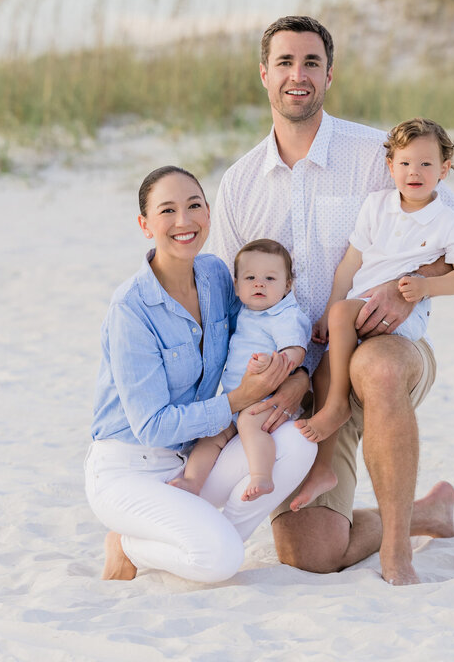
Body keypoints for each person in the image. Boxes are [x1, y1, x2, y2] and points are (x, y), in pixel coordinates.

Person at [207, 16, 454, 585]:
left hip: (380, 350)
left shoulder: (380, 154)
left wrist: (406, 288)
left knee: (377, 364)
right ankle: (422, 514)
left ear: (329, 74)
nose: (298, 74)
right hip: (294, 381)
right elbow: (223, 307)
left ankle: (396, 553)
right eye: (284, 62)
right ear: (264, 74)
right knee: (311, 553)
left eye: (311, 62)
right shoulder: (239, 184)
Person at [85, 165, 317, 583]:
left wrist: (298, 373)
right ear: (145, 225)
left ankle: (202, 533)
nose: (184, 221)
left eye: (194, 206)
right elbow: (153, 427)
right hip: (130, 468)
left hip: (194, 459)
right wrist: (237, 399)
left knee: (298, 444)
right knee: (220, 561)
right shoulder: (131, 311)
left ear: (208, 213)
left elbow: (260, 326)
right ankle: (128, 542)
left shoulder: (215, 276)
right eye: (167, 210)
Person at [298, 118, 454, 488]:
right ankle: (322, 469)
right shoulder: (376, 205)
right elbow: (351, 262)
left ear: (444, 169)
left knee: (342, 317)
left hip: (403, 316)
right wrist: (328, 315)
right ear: (390, 166)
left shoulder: (445, 221)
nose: (415, 172)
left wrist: (427, 287)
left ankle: (336, 407)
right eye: (405, 163)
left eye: (426, 164)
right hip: (356, 307)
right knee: (325, 372)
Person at [169, 239, 312, 503]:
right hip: (236, 398)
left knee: (249, 423)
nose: (259, 284)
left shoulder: (284, 315)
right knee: (210, 435)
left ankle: (262, 475)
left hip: (267, 399)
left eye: (270, 278)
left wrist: (275, 362)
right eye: (250, 278)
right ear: (236, 286)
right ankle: (192, 481)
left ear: (287, 286)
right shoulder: (245, 312)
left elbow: (296, 350)